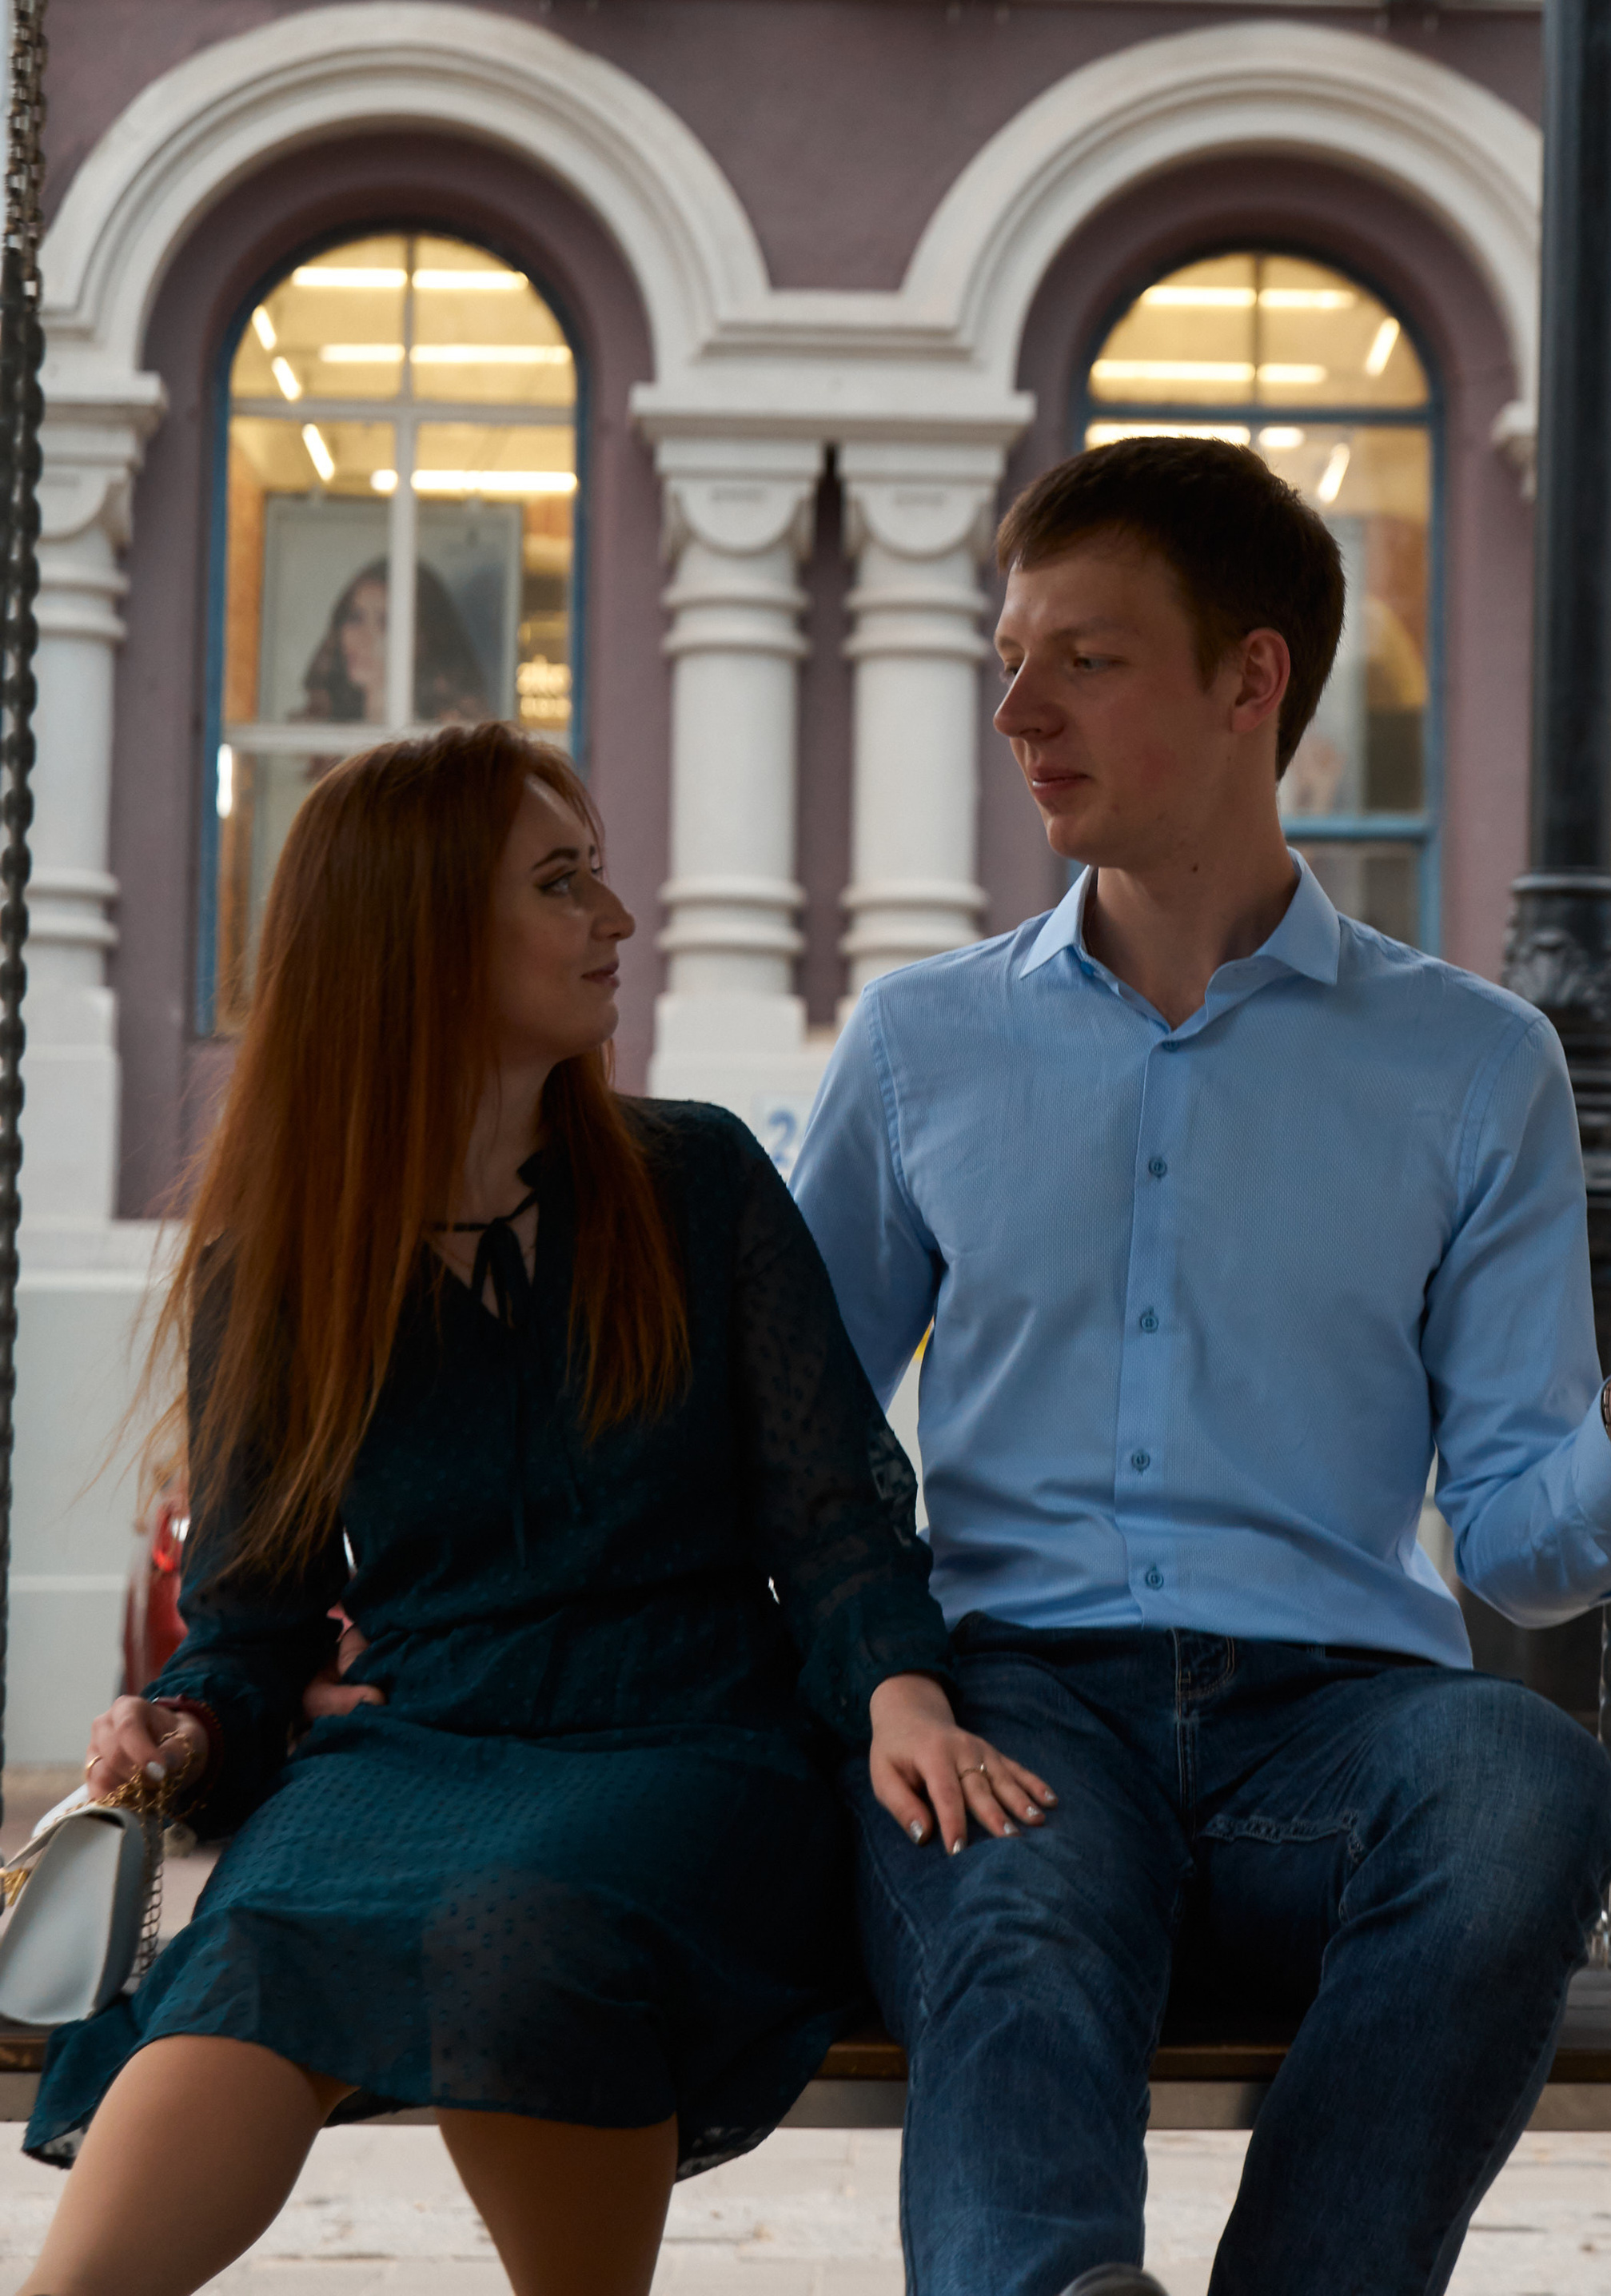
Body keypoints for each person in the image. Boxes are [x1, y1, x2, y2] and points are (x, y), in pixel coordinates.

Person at [790, 434, 1611, 2296]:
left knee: (1516, 1781)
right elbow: (788, 1430)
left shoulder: (1465, 1063)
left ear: (1251, 680)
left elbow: (1510, 1541)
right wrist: (880, 1680)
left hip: (1332, 1733)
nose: (1017, 708)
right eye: (1011, 657)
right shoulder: (921, 1042)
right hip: (1019, 1698)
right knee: (1009, 1885)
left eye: (1083, 658)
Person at [22, 723, 1041, 2296]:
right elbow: (250, 1623)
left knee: (524, 1925)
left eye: (601, 877)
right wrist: (181, 1731)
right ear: (417, 938)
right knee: (257, 1932)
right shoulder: (275, 1260)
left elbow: (832, 1510)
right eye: (562, 885)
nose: (614, 922)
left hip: (688, 1743)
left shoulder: (693, 1179)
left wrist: (900, 1692)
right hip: (417, 1743)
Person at [293, 556, 492, 727]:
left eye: (385, 623)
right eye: (355, 617)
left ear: (422, 638)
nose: (362, 638)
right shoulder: (319, 736)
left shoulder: (443, 742)